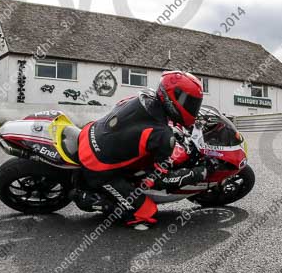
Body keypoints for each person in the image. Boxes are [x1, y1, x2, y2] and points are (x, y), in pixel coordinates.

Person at [77, 71, 208, 230]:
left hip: (89, 132)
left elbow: (123, 110)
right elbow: (159, 180)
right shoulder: (163, 136)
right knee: (147, 214)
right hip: (98, 166)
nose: (192, 107)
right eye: (189, 102)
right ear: (173, 97)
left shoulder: (144, 96)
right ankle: (97, 201)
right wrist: (194, 174)